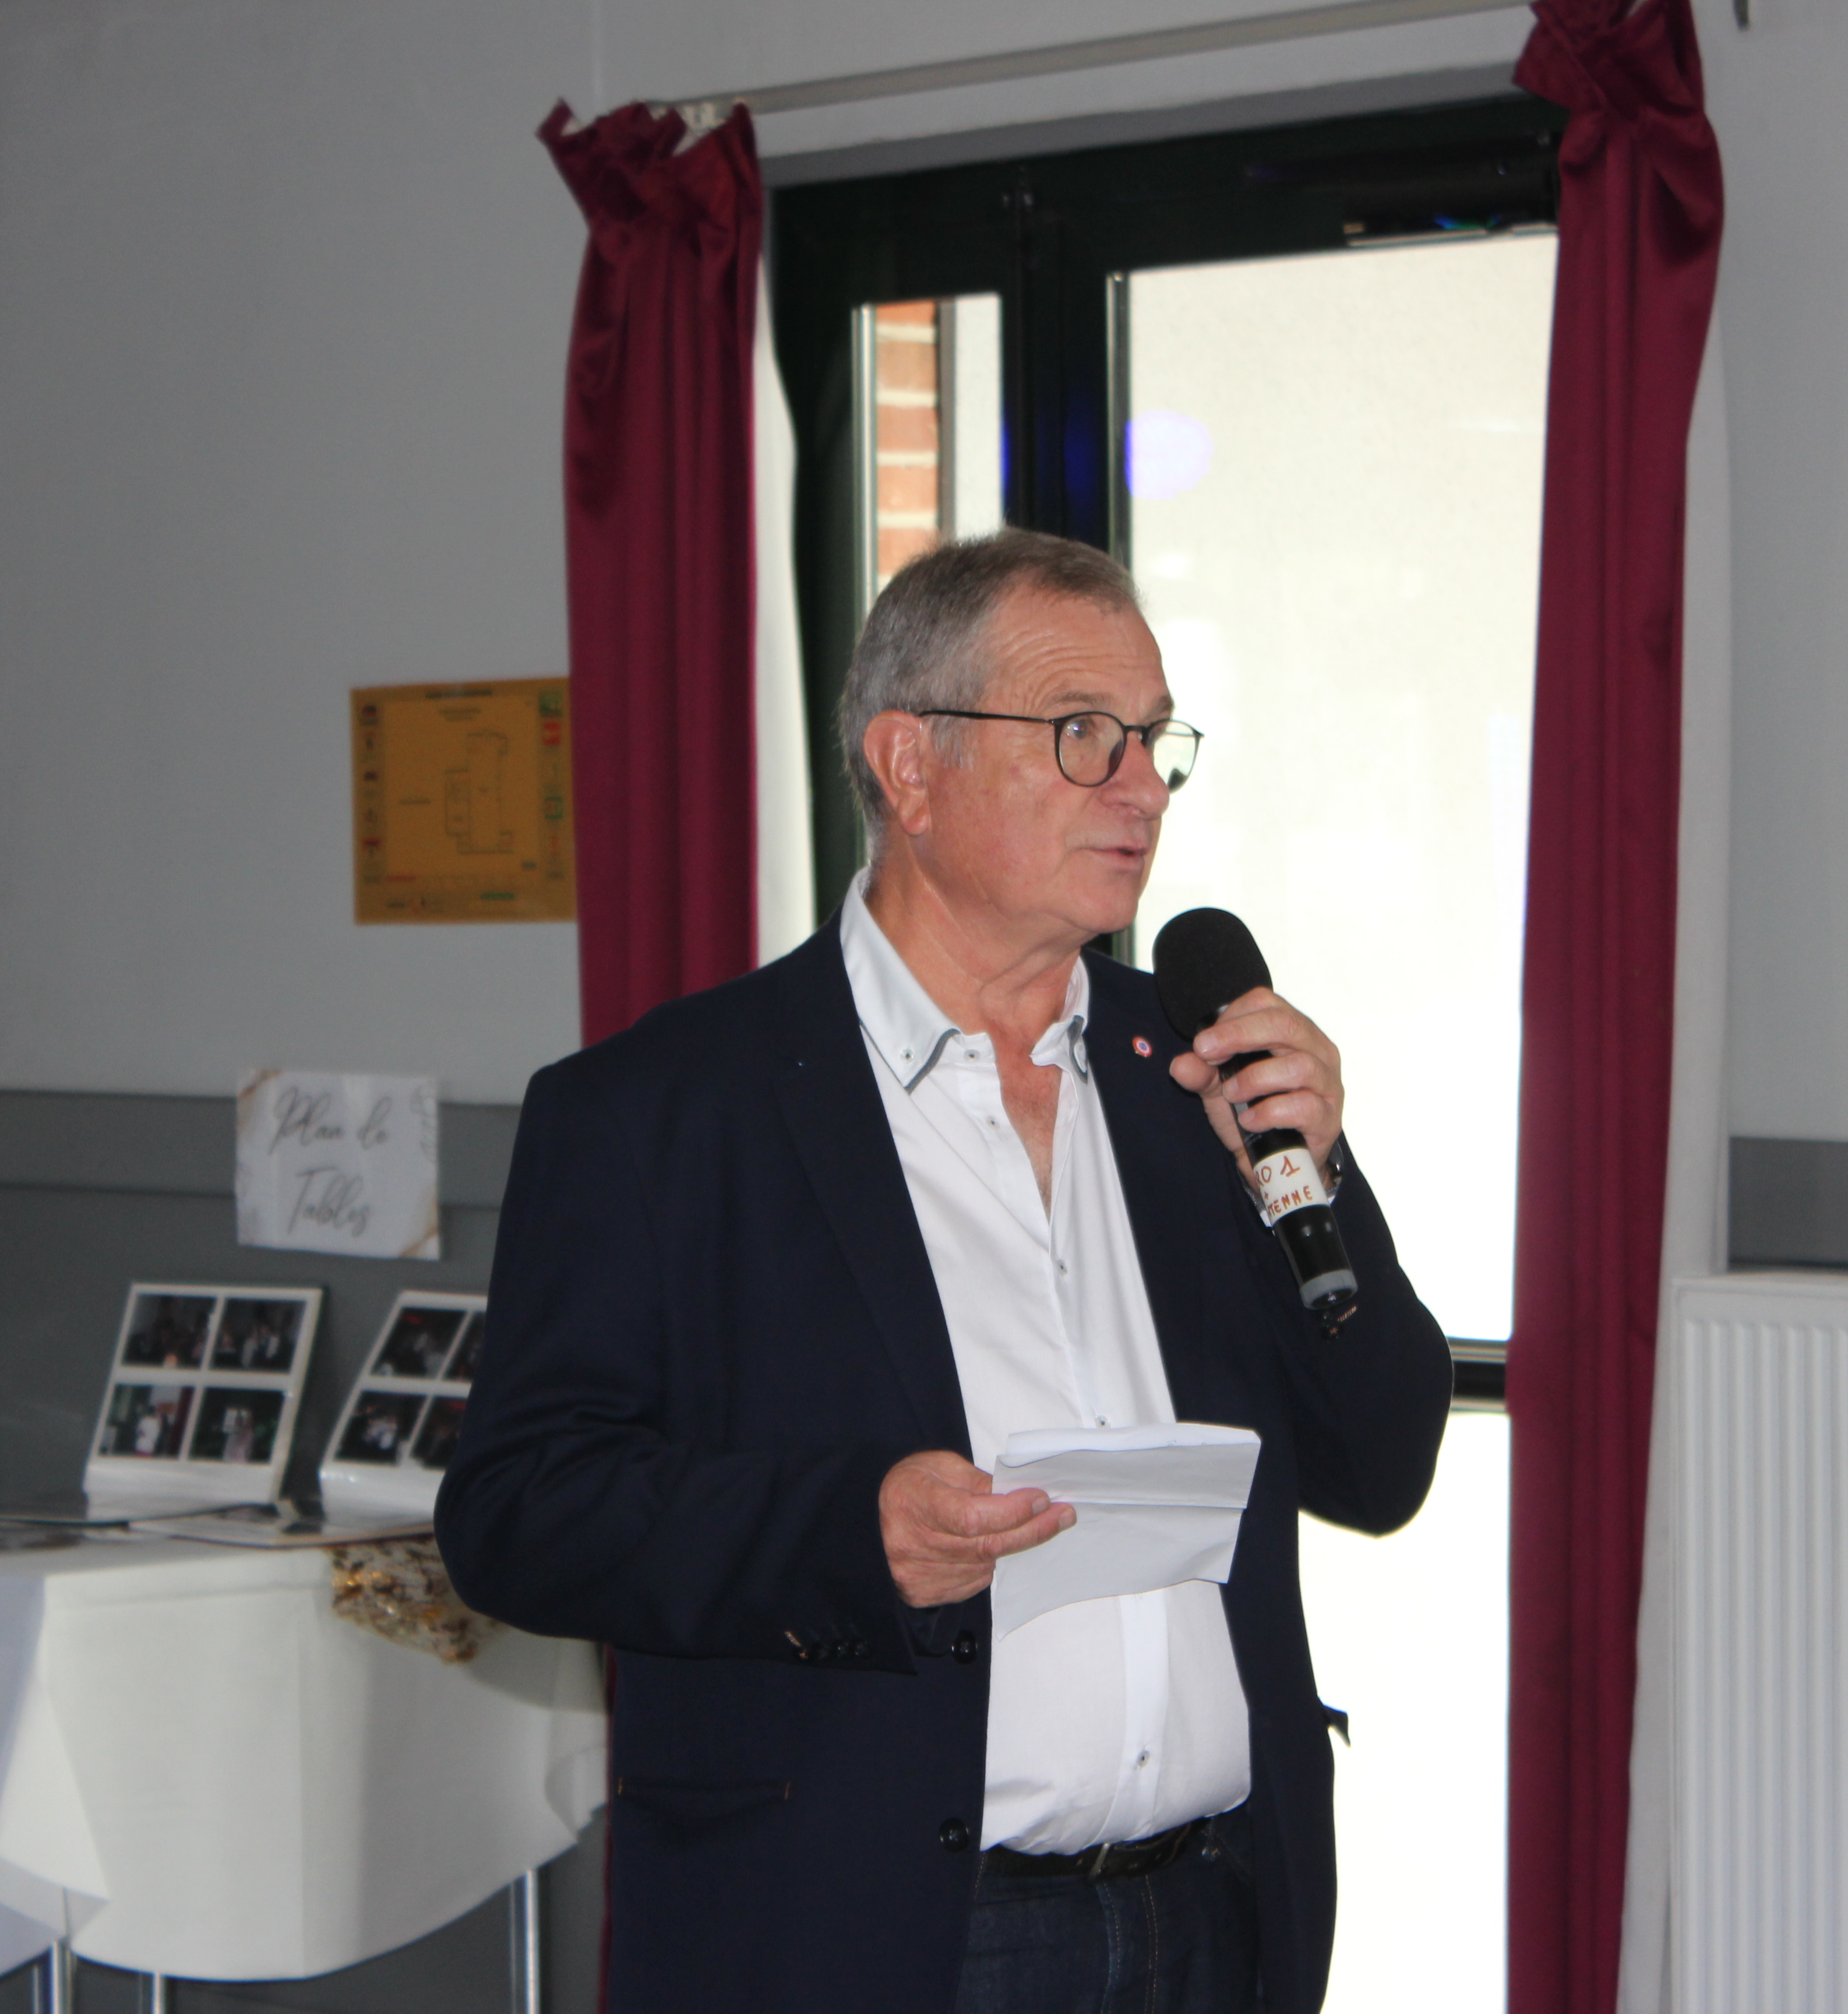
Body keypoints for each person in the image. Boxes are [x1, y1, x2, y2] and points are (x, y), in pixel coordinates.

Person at [437, 530, 1454, 2013]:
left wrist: (1318, 1179)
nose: (1144, 788)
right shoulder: (664, 1112)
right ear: (910, 767)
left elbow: (1381, 1463)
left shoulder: (1197, 1078)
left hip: (1215, 1918)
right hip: (878, 1934)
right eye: (1085, 734)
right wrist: (846, 1532)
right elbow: (519, 1516)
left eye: (1157, 739)